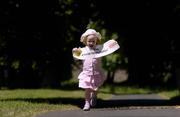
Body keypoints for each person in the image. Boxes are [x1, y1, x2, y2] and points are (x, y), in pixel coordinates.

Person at [72, 29, 106, 111]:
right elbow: (76, 57)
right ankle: (86, 103)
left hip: (96, 73)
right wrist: (75, 51)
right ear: (85, 41)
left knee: (95, 88)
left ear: (96, 42)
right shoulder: (83, 51)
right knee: (87, 89)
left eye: (93, 41)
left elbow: (105, 52)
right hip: (87, 73)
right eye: (89, 41)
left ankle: (94, 96)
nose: (91, 43)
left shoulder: (99, 50)